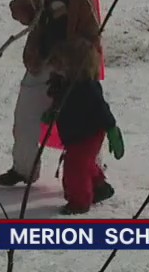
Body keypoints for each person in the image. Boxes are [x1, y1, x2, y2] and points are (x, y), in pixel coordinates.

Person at [0, 0, 107, 188]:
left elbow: (93, 32)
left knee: (81, 122)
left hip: (71, 68)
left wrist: (79, 63)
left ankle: (95, 176)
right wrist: (27, 12)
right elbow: (19, 6)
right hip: (39, 59)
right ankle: (23, 169)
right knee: (25, 116)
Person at [42, 39, 123, 215]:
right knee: (83, 163)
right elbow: (61, 103)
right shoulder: (63, 83)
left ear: (74, 65)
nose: (55, 67)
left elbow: (103, 111)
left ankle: (79, 201)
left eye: (60, 63)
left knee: (75, 167)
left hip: (89, 135)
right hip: (74, 135)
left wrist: (112, 130)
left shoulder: (88, 88)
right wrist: (53, 112)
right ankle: (99, 187)